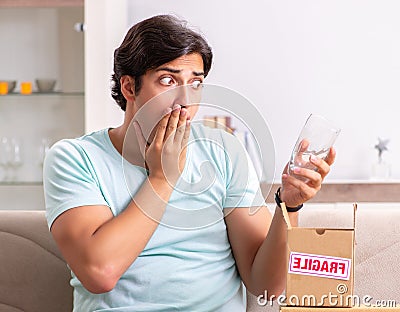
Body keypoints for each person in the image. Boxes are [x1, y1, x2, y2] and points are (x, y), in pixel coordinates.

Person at [43, 14, 336, 312]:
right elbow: (99, 273)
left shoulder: (222, 150)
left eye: (195, 83)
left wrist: (288, 206)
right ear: (130, 88)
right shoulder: (74, 159)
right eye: (168, 80)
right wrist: (162, 178)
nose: (184, 100)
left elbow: (267, 288)